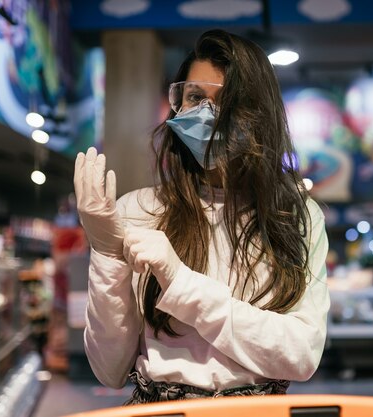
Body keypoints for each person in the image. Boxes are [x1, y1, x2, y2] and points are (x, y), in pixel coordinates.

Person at [73, 29, 330, 404]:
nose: (207, 113)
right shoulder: (139, 210)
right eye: (195, 97)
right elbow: (110, 369)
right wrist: (107, 255)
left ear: (260, 114)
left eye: (227, 100)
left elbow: (300, 354)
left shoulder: (294, 216)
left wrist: (180, 281)